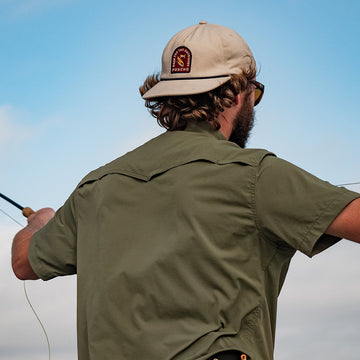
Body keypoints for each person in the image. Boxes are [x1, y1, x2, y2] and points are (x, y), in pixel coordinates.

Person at [12, 21, 360, 360]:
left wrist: (39, 222)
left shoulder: (95, 188)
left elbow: (23, 261)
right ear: (239, 94)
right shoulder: (255, 175)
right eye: (255, 93)